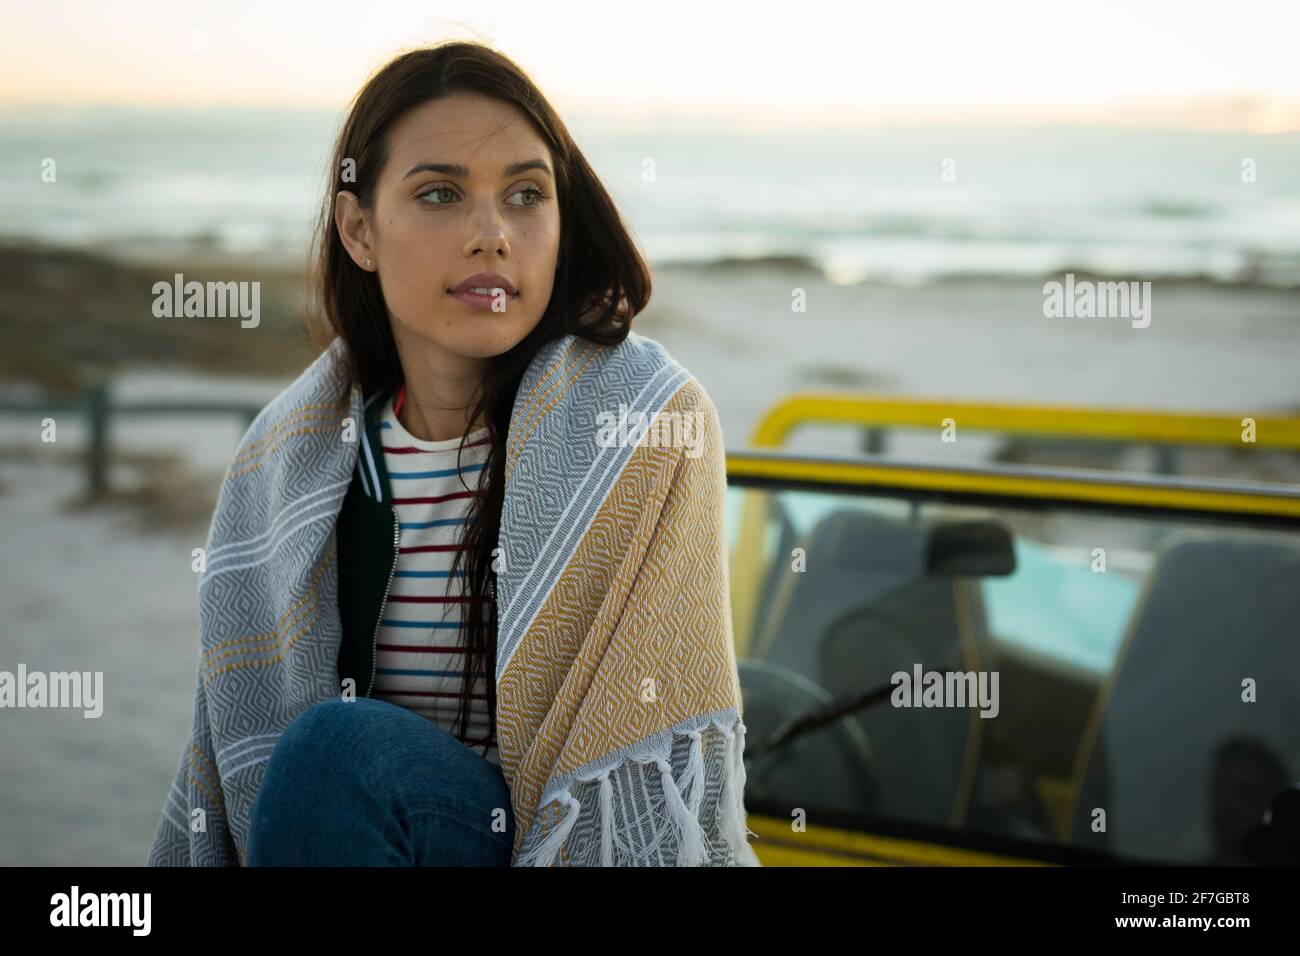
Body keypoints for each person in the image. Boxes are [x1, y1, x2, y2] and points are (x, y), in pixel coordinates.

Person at [146, 40, 760, 867]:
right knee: (333, 756)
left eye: (526, 194)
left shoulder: (645, 430)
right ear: (359, 229)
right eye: (439, 193)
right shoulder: (282, 465)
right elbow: (241, 753)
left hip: (550, 846)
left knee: (339, 751)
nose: (491, 235)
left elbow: (642, 763)